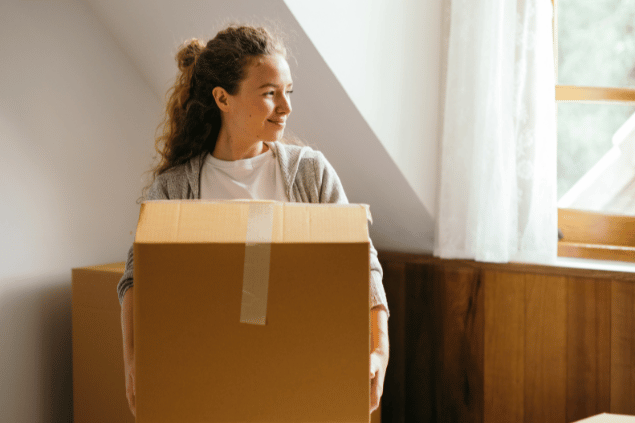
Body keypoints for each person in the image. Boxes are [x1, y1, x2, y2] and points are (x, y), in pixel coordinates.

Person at [117, 24, 390, 417]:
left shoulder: (309, 173)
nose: (286, 107)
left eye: (288, 92)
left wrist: (379, 350)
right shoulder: (177, 188)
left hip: (300, 378)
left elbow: (364, 263)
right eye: (269, 94)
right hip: (208, 384)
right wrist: (132, 362)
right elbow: (136, 278)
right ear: (223, 99)